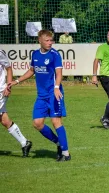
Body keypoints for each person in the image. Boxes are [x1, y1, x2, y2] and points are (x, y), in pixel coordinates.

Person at [8, 30, 71, 161]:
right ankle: (59, 143)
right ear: (40, 41)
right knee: (37, 123)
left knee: (56, 121)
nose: (50, 43)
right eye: (47, 40)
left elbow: (59, 73)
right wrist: (17, 80)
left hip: (54, 93)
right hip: (41, 96)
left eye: (51, 40)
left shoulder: (55, 54)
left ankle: (66, 153)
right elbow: (32, 70)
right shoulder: (36, 54)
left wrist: (56, 87)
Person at [0, 49, 32, 157]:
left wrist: (8, 87)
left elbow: (8, 69)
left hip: (0, 90)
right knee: (4, 120)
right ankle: (25, 143)